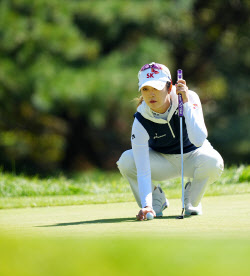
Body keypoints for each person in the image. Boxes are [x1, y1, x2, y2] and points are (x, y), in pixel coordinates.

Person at [117, 62, 224, 221]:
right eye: (146, 89)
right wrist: (146, 205)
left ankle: (190, 195)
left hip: (193, 157)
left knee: (213, 162)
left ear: (169, 87)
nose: (151, 94)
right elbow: (143, 169)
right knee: (126, 160)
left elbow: (199, 140)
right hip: (162, 161)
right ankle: (156, 200)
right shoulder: (141, 119)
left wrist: (186, 103)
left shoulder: (189, 97)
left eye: (156, 88)